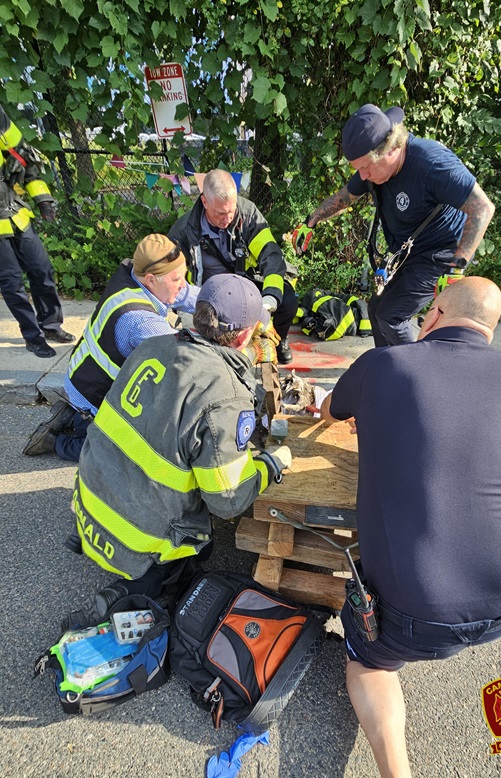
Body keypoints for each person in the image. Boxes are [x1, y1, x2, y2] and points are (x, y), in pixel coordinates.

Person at [321, 278, 501, 778]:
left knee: (370, 664)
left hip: (416, 611)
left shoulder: (385, 363)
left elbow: (329, 411)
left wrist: (373, 409)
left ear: (435, 313)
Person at [63, 274, 292, 630]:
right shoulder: (223, 392)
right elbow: (227, 500)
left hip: (89, 504)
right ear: (246, 336)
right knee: (200, 549)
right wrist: (271, 465)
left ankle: (113, 554)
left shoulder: (151, 346)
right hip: (134, 542)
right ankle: (135, 591)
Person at [292, 103, 495, 347]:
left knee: (392, 316)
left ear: (390, 149)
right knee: (377, 307)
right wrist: (311, 221)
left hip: (439, 253)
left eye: (366, 168)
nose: (363, 176)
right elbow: (345, 197)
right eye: (359, 169)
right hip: (407, 251)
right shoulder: (374, 165)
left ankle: (408, 376)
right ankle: (385, 365)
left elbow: (483, 208)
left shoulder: (432, 164)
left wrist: (456, 267)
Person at [23, 233, 201, 461]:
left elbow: (185, 294)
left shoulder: (131, 274)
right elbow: (186, 358)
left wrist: (230, 305)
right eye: (177, 279)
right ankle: (55, 441)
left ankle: (73, 417)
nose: (183, 284)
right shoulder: (139, 320)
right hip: (94, 393)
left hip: (82, 376)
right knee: (124, 455)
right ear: (150, 279)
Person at [168, 168, 296, 363]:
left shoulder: (249, 214)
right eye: (220, 213)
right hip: (210, 294)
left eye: (231, 210)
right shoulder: (183, 231)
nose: (227, 219)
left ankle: (279, 340)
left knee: (287, 299)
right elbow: (171, 276)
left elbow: (271, 256)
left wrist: (269, 300)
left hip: (245, 284)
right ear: (204, 202)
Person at [0, 104, 74, 357]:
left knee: (42, 270)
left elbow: (28, 159)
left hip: (18, 215)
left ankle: (51, 325)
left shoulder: (2, 122)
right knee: (12, 284)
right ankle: (33, 337)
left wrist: (43, 199)